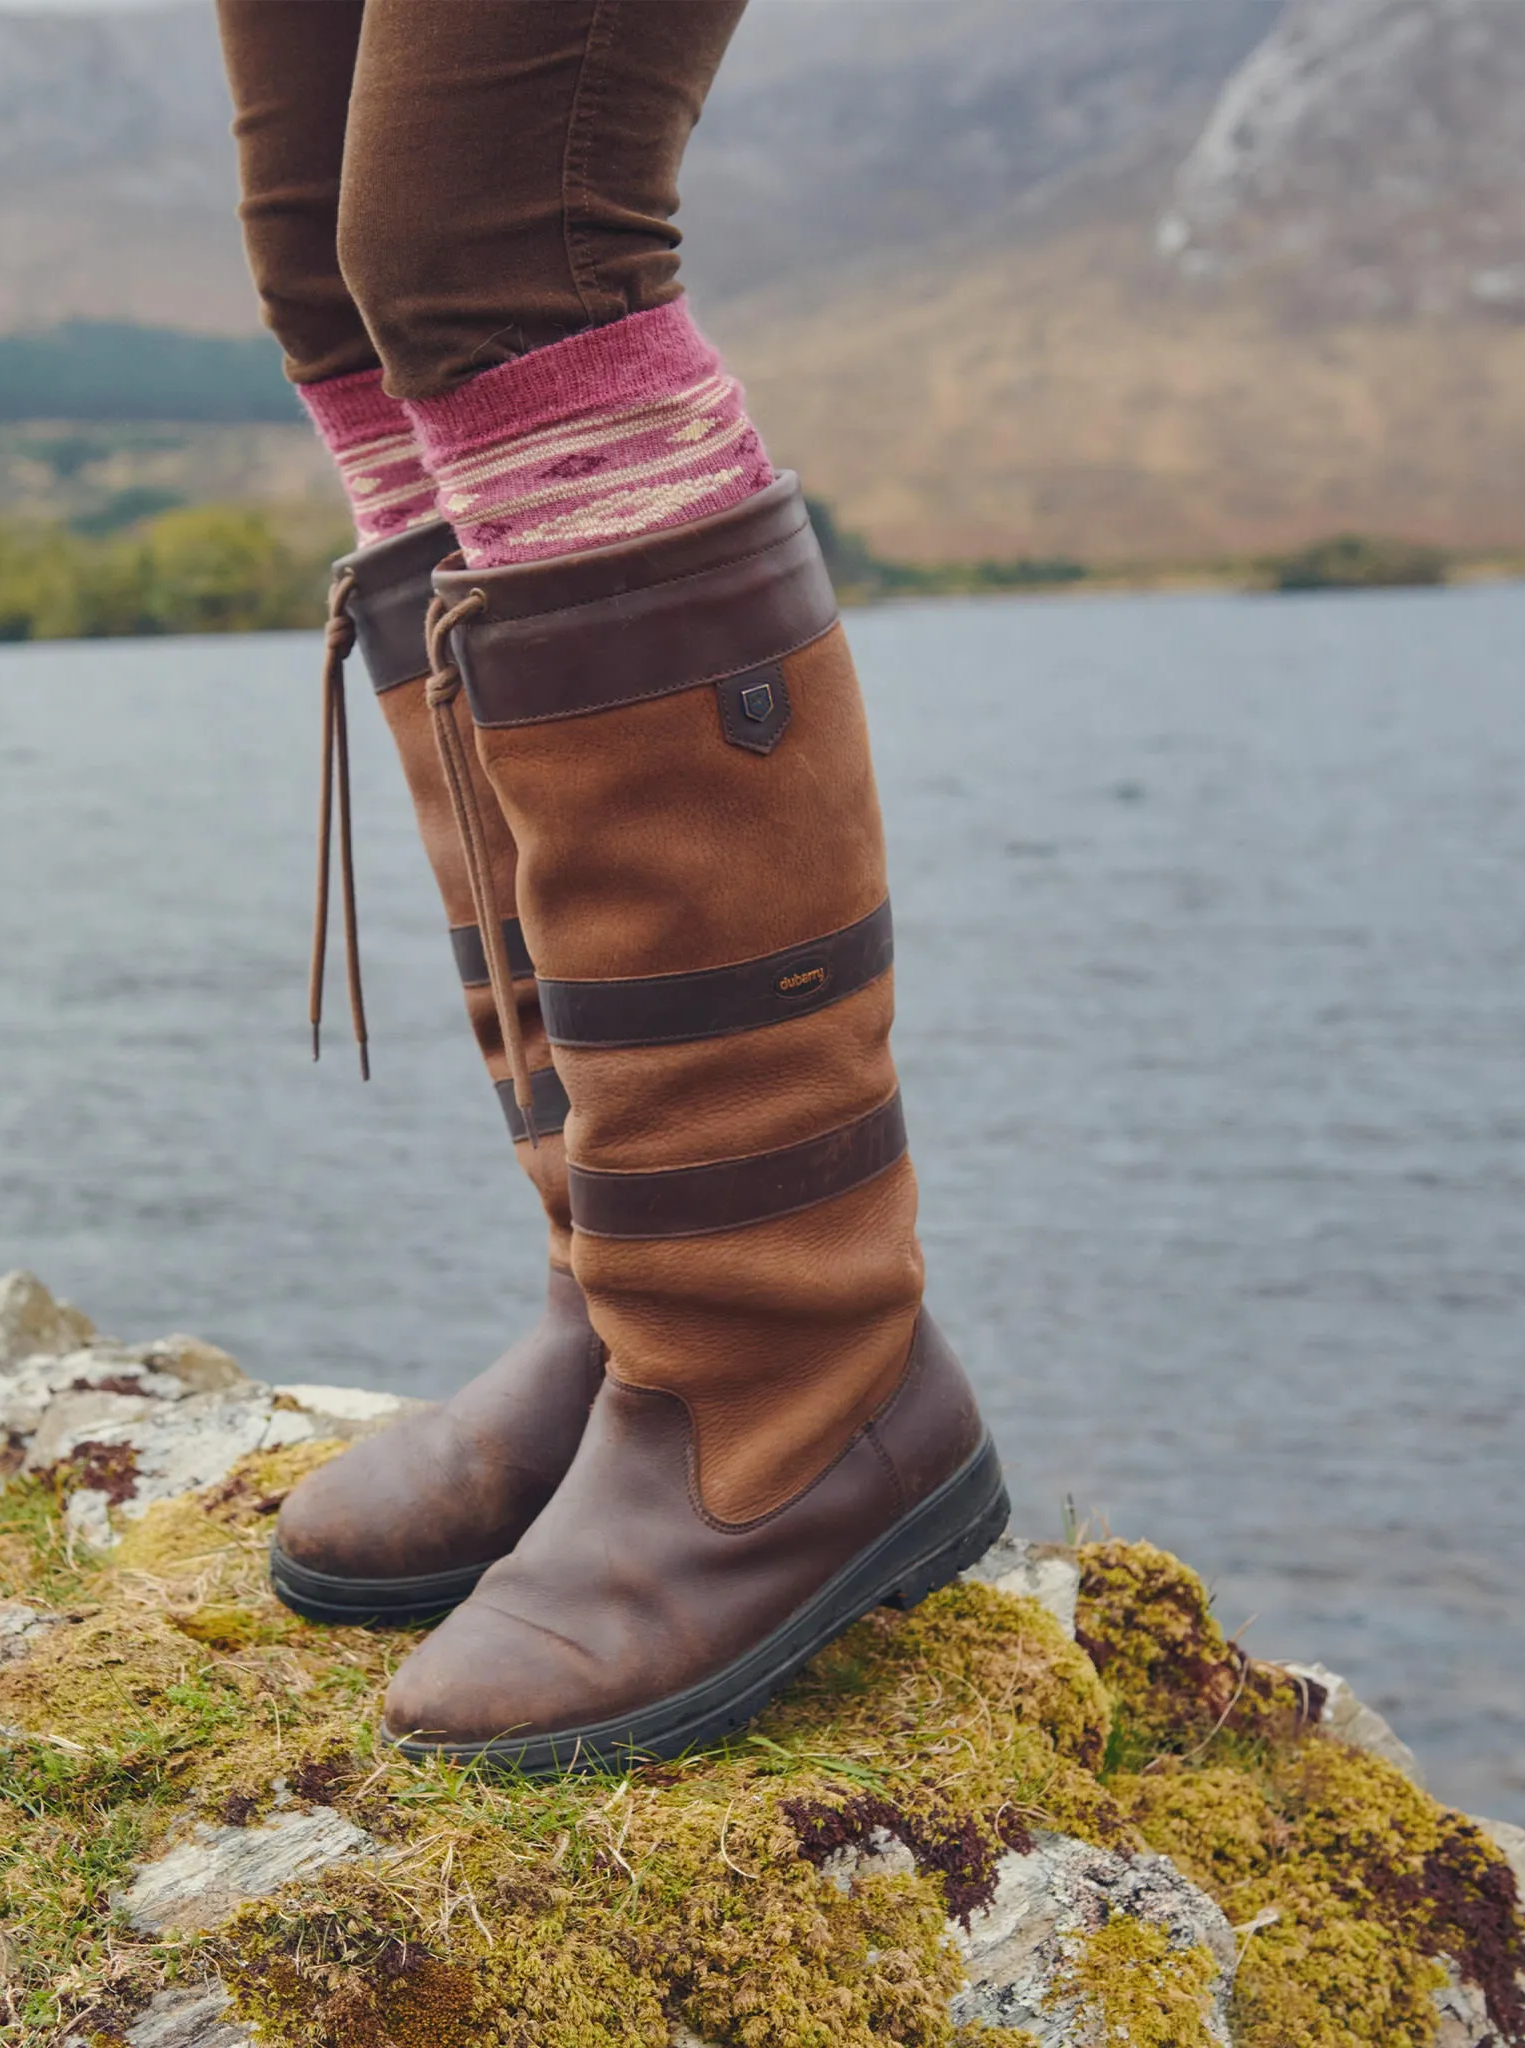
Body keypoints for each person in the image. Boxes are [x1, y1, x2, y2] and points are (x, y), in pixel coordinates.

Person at [218, 0, 1006, 1773]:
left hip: (784, 1368)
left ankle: (780, 1364)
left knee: (497, 246)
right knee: (342, 279)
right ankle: (632, 1290)